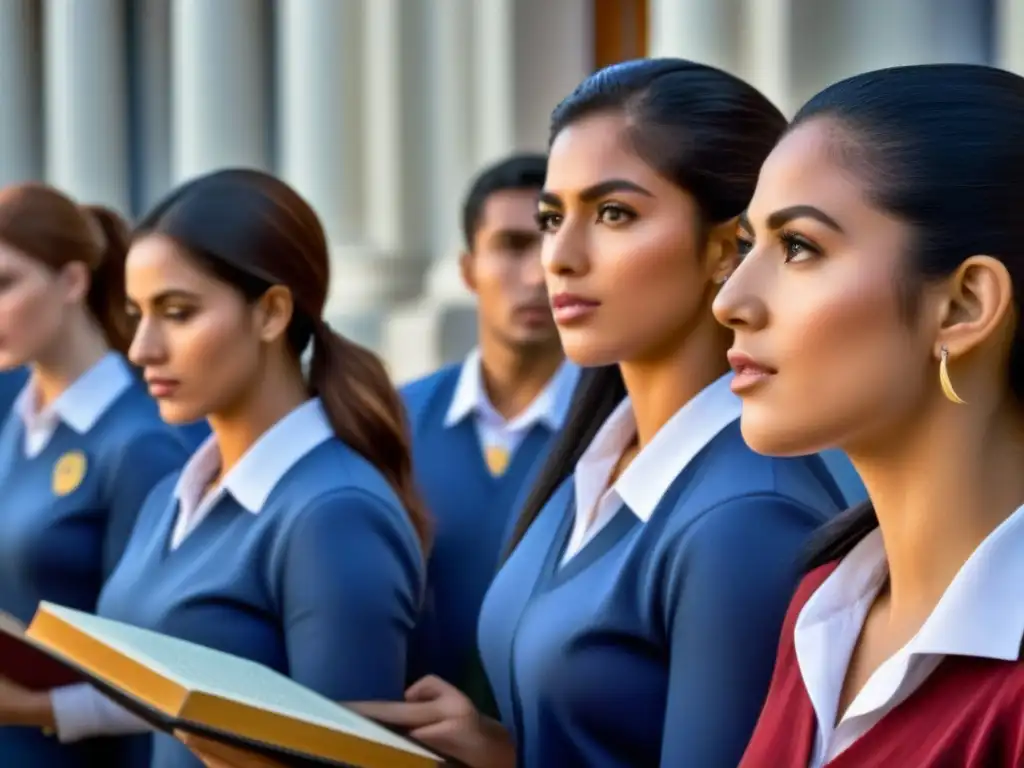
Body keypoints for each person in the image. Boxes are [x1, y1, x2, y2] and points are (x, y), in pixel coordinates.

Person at [266, 58, 836, 768]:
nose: (556, 259)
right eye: (550, 218)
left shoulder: (745, 515)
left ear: (724, 248)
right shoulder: (601, 459)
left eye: (613, 214)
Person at [4, 169, 430, 768]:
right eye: (136, 313)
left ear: (271, 312)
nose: (141, 347)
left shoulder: (334, 512)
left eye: (177, 312)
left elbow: (351, 761)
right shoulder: (172, 498)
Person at [719, 65, 1024, 767]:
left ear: (964, 305)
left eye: (797, 246)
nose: (730, 299)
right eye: (745, 248)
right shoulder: (823, 607)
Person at [0, 186, 189, 767]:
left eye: (6, 283)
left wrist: (37, 709)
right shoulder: (20, 416)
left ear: (73, 282)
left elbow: (169, 673)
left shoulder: (141, 443)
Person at [403, 153, 579, 693]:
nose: (536, 274)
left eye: (550, 242)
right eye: (511, 245)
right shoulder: (397, 419)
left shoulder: (625, 429)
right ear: (467, 270)